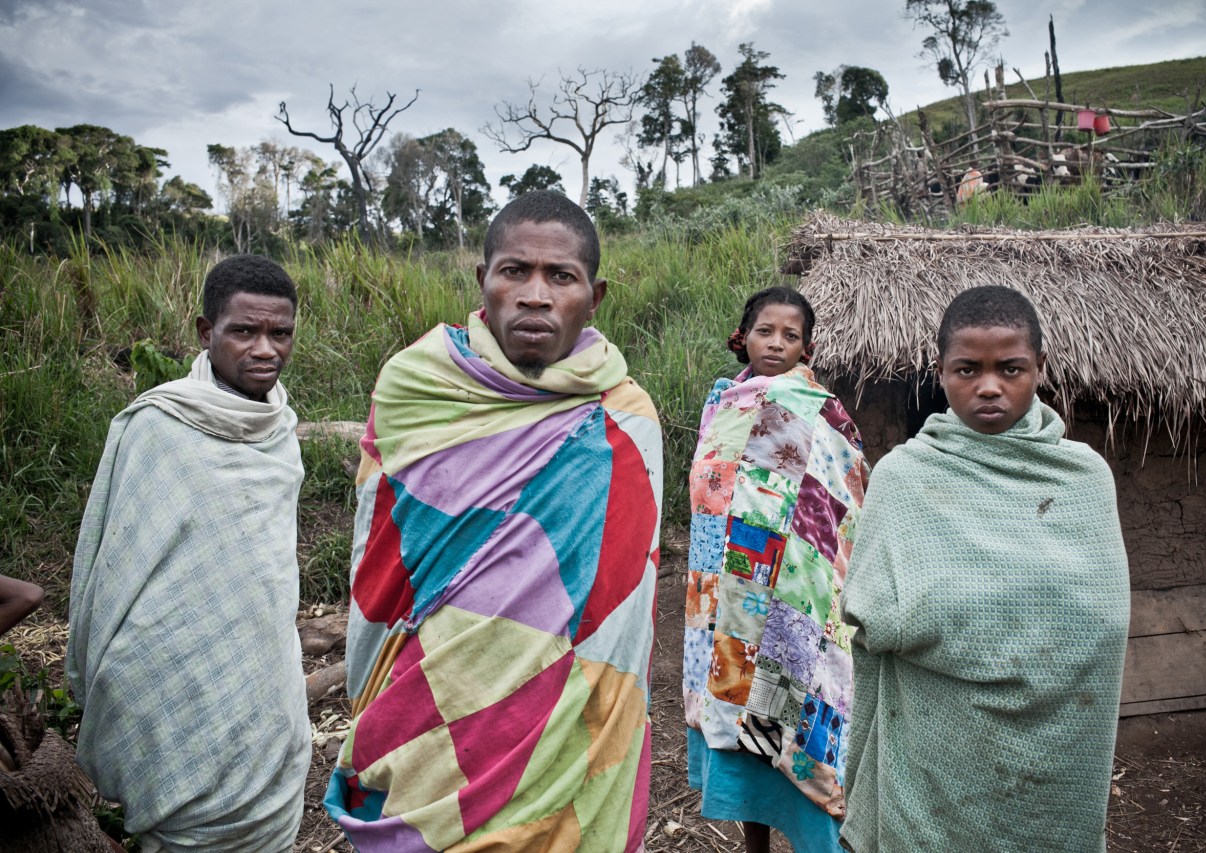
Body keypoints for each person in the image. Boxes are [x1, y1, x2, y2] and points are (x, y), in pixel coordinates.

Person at [327, 190, 662, 852]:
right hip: (426, 709)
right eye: (515, 270)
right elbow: (378, 564)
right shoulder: (415, 388)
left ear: (595, 296)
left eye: (560, 276)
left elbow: (623, 602)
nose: (536, 294)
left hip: (566, 731)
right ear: (482, 280)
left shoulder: (624, 416)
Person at [838, 285, 1130, 852]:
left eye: (1011, 369)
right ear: (941, 372)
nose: (989, 386)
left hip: (1057, 747)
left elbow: (1104, 619)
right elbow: (872, 613)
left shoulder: (1083, 478)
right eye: (967, 369)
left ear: (1040, 368)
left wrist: (952, 612)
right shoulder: (905, 477)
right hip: (935, 746)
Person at [66, 255, 310, 853]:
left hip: (262, 662)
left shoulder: (280, 428)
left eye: (280, 334)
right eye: (244, 331)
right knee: (185, 815)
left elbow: (268, 565)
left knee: (269, 800)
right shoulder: (157, 424)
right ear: (206, 332)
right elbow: (115, 561)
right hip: (167, 659)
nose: (265, 349)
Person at [684, 287, 870, 853]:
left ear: (806, 347)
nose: (777, 343)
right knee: (736, 700)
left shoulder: (822, 411)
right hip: (729, 588)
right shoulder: (723, 403)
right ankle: (754, 844)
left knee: (792, 692)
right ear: (744, 335)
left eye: (791, 336)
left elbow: (849, 488)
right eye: (767, 331)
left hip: (796, 589)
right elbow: (709, 494)